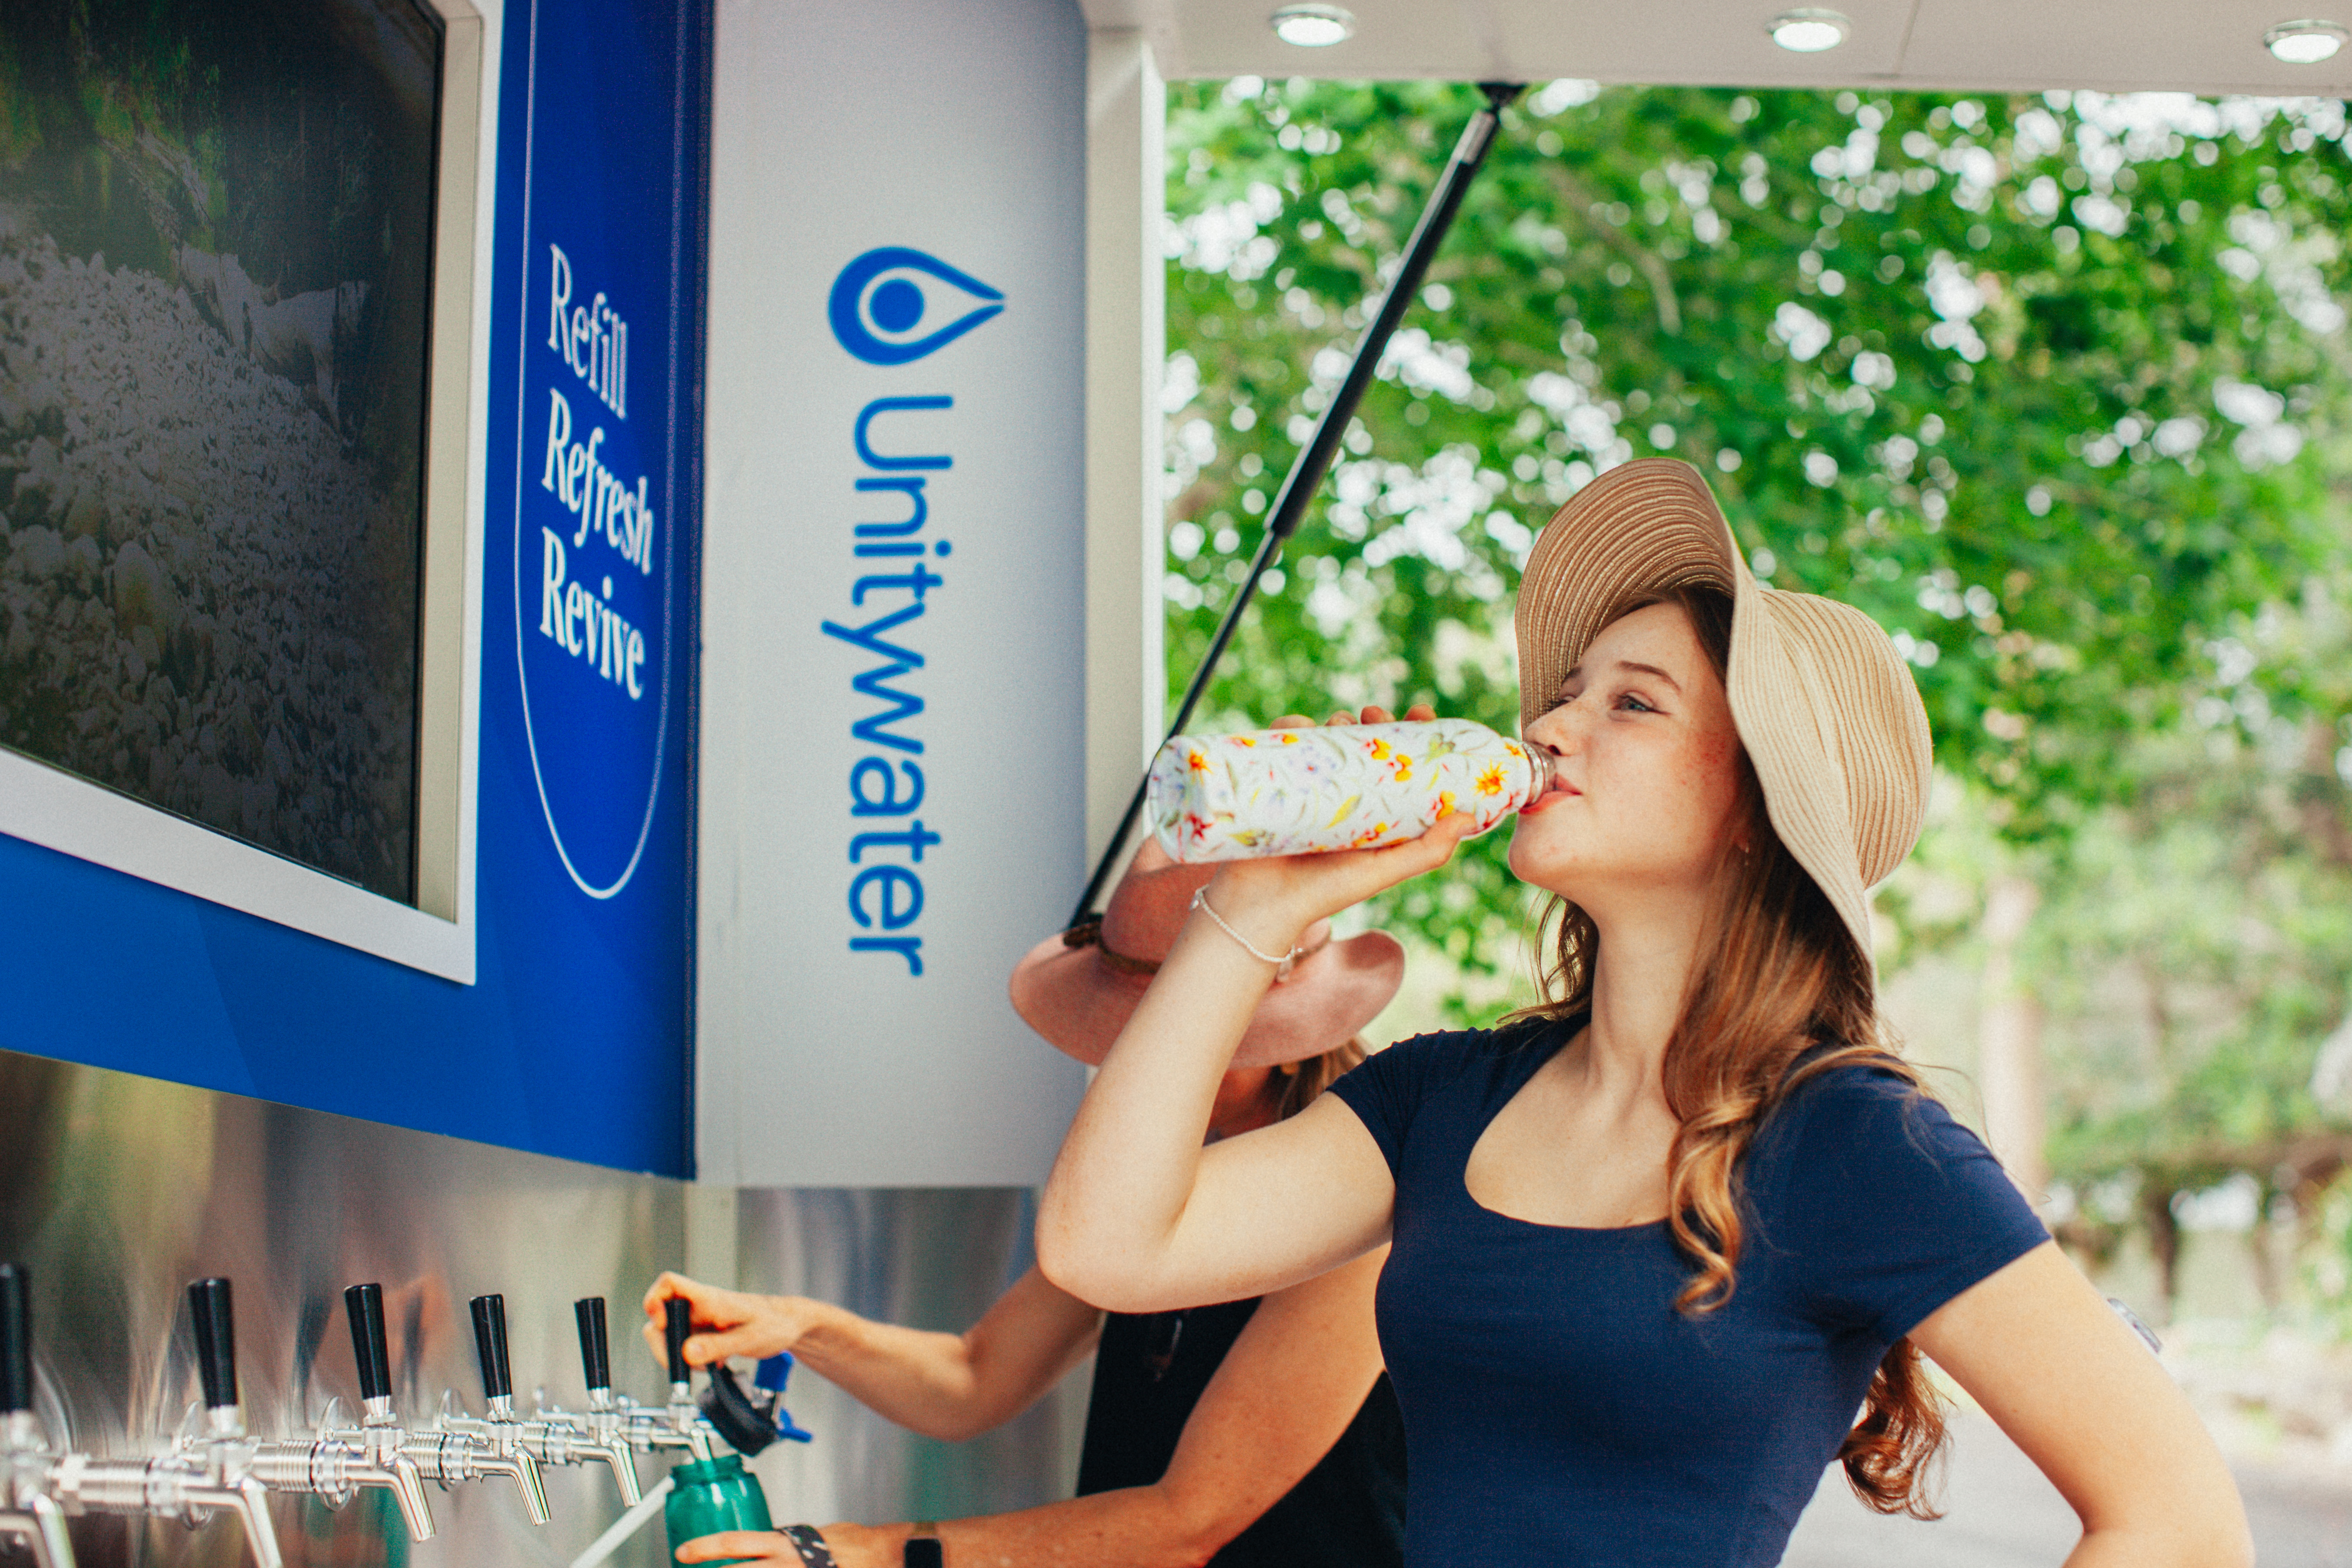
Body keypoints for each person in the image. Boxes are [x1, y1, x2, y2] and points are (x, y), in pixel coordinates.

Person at [1036, 458, 2254, 1568]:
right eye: (1564, 693)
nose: (1548, 727)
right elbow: (1110, 1246)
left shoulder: (1853, 1142)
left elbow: (2180, 1522)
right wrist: (1251, 903)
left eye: (1631, 704)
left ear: (1750, 810)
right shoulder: (1441, 1096)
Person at [647, 840, 1410, 1568]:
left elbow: (1183, 1524)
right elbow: (974, 1376)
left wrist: (871, 1549)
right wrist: (799, 1324)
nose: (1129, 1058)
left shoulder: (1362, 1205)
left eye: (1161, 1022)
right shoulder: (1155, 1178)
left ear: (1289, 1029)